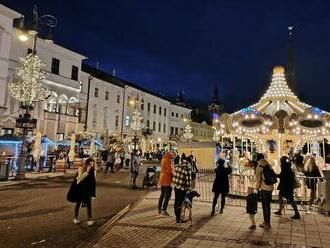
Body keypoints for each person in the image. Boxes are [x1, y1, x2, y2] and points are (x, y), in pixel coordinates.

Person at [73, 158, 96, 226]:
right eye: (90, 163)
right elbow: (78, 179)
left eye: (93, 163)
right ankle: (75, 218)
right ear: (87, 164)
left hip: (88, 190)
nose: (92, 165)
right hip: (80, 189)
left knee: (89, 204)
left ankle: (89, 219)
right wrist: (87, 172)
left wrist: (93, 193)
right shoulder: (81, 169)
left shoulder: (92, 170)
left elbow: (93, 182)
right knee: (78, 203)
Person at [255, 153, 274, 231]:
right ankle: (267, 222)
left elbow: (258, 179)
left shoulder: (259, 166)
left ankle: (267, 224)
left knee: (264, 206)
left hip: (264, 188)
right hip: (270, 187)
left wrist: (256, 188)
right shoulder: (267, 164)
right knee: (268, 206)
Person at [172, 153, 192, 223]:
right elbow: (188, 180)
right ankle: (179, 219)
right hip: (182, 188)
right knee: (180, 203)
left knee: (176, 201)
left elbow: (173, 175)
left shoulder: (177, 166)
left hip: (175, 186)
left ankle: (177, 216)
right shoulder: (188, 167)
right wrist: (189, 189)